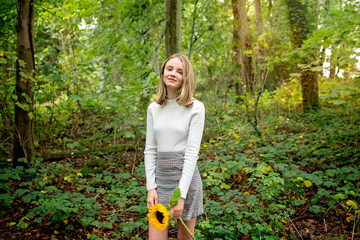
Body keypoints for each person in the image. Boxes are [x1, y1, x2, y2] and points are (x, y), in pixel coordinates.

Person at [144, 53, 205, 240]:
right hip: (160, 183)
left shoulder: (195, 107)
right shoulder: (153, 108)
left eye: (179, 71)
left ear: (185, 77)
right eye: (169, 69)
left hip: (185, 181)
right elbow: (150, 149)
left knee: (185, 238)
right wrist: (151, 187)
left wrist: (181, 194)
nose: (173, 73)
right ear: (163, 72)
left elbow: (192, 153)